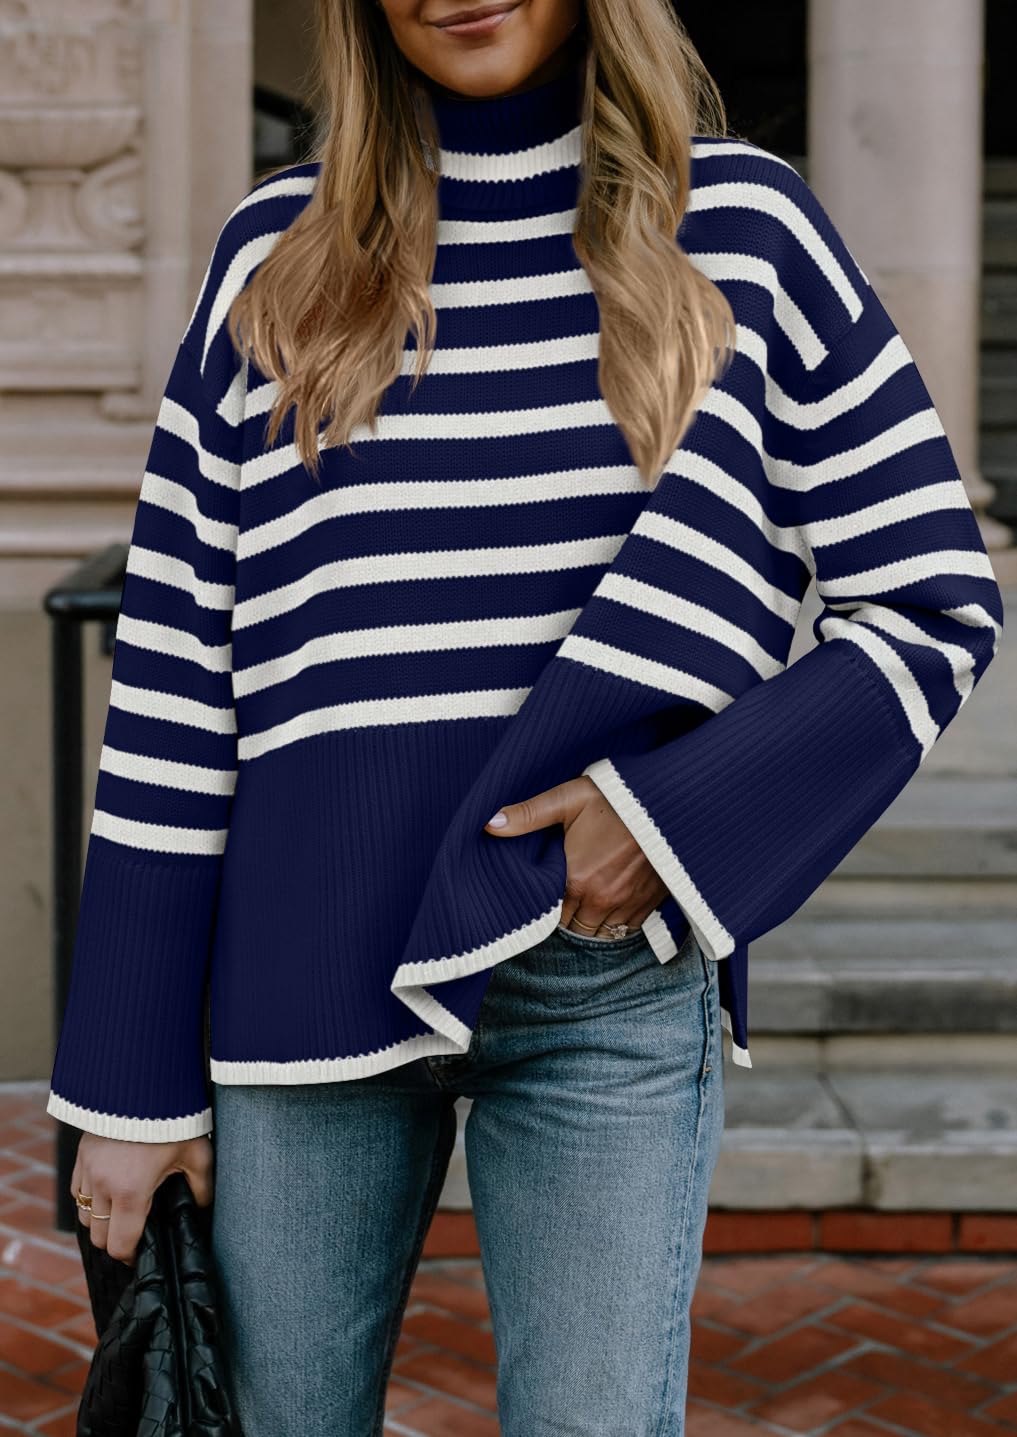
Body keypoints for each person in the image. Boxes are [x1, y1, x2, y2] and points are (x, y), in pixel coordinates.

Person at [51, 0, 1002, 1432]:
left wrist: (667, 822)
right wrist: (125, 1083)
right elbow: (178, 684)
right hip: (297, 962)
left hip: (597, 976)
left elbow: (933, 600)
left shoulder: (744, 230)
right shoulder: (272, 255)